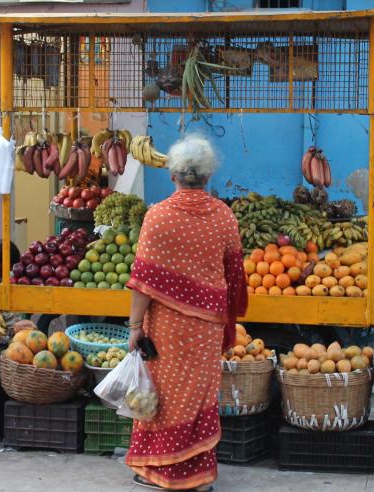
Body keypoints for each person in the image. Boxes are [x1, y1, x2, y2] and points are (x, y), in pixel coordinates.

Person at [124, 135, 247, 491]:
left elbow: (143, 281)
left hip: (166, 326)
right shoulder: (224, 217)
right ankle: (197, 475)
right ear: (207, 177)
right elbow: (235, 275)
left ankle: (161, 471)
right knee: (198, 397)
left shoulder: (158, 217)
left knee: (164, 396)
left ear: (174, 175)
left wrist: (134, 327)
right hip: (207, 326)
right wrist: (228, 316)